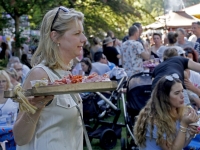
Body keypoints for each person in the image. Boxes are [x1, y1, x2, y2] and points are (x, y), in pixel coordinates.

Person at [13, 6, 87, 150]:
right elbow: (20, 138)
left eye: (82, 33)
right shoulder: (40, 74)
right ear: (55, 37)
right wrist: (36, 107)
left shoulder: (66, 74)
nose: (84, 39)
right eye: (77, 33)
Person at [134, 75, 200, 150]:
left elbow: (180, 145)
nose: (182, 96)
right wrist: (184, 125)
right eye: (177, 93)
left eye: (182, 91)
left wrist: (190, 133)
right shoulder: (154, 119)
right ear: (165, 97)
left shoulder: (178, 111)